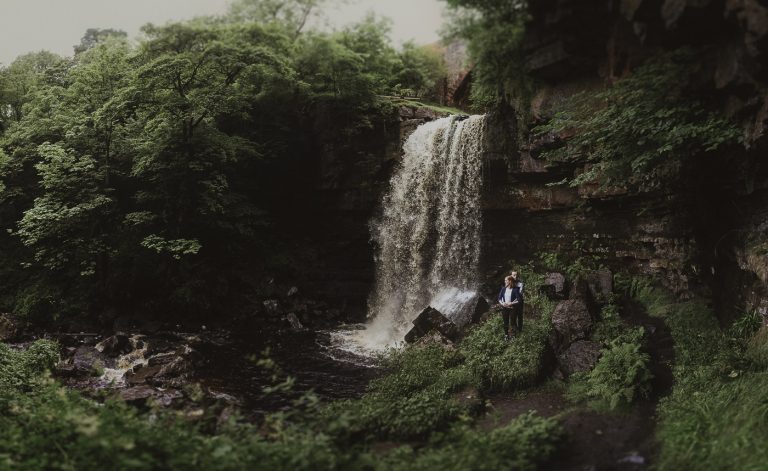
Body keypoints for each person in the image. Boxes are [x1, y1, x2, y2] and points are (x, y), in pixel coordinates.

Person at [497, 275, 522, 340]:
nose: (505, 281)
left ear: (510, 281)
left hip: (512, 308)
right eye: (505, 280)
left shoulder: (515, 289)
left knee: (513, 322)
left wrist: (511, 303)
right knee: (505, 322)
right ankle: (506, 335)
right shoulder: (503, 289)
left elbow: (519, 300)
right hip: (505, 308)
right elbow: (499, 298)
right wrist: (503, 304)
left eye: (506, 280)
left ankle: (514, 335)